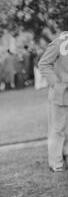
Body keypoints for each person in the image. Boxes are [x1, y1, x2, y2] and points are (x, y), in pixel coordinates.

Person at [38, 31, 68, 172]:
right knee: (58, 129)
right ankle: (56, 163)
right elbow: (43, 64)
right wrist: (56, 84)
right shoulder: (60, 42)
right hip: (61, 94)